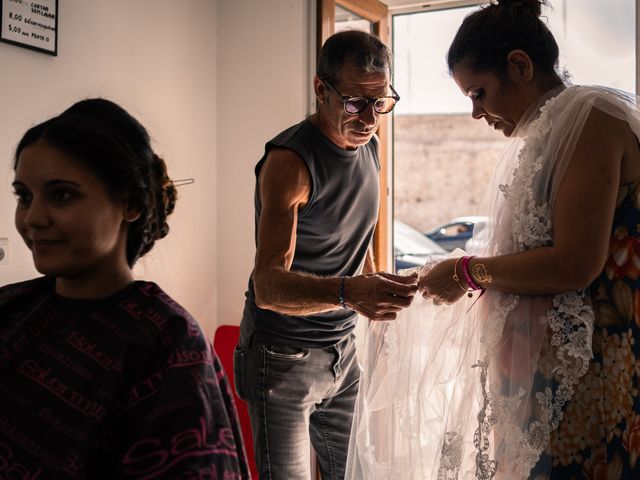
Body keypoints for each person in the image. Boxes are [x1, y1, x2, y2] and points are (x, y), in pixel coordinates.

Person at [346, 1, 640, 478]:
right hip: (560, 385)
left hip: (602, 371)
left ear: (520, 66)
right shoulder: (550, 133)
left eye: (479, 93)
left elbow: (574, 264)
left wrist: (466, 272)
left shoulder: (589, 119)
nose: (475, 114)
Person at [0, 98, 250, 479]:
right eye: (24, 196)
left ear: (129, 203)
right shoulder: (11, 309)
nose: (33, 218)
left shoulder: (168, 346)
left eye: (61, 195)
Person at [234, 30, 418, 479]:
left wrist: (379, 310)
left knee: (357, 473)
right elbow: (269, 286)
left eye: (381, 102)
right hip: (283, 357)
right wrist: (350, 293)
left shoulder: (370, 148)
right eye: (355, 102)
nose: (370, 117)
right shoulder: (291, 162)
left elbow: (362, 244)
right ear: (321, 89)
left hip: (342, 349)